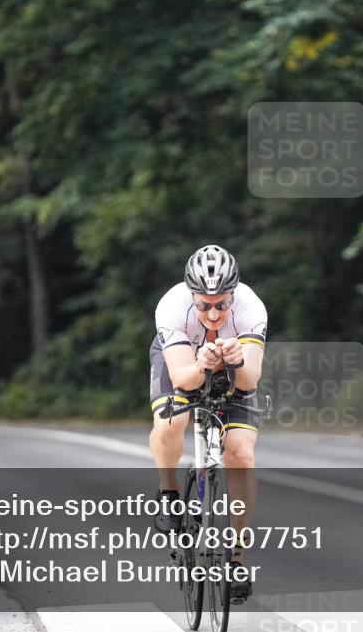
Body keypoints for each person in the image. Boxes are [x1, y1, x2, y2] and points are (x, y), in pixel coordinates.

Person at [148, 244, 267, 602]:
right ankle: (169, 492)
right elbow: (183, 378)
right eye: (204, 305)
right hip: (184, 361)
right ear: (191, 297)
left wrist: (237, 361)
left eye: (222, 304)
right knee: (171, 420)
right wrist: (202, 365)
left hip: (234, 368)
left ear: (234, 295)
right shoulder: (172, 307)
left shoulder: (251, 308)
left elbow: (249, 382)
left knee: (241, 454)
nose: (214, 314)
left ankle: (235, 558)